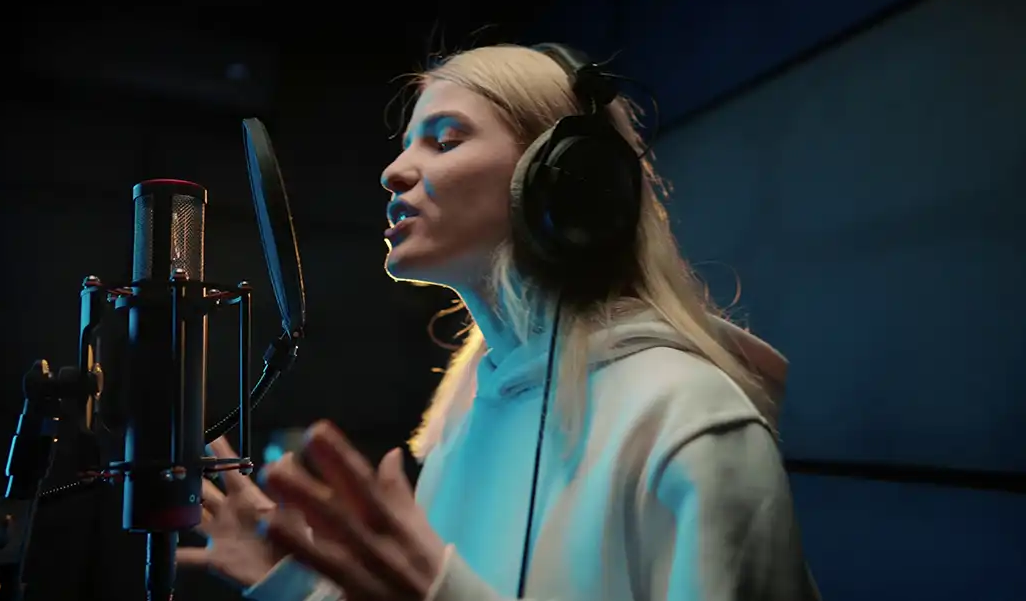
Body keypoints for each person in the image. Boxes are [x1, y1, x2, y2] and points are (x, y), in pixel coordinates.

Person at [176, 44, 820, 601]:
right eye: (406, 145)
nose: (393, 171)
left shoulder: (688, 416)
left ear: (563, 181)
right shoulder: (465, 416)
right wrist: (297, 582)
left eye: (445, 139)